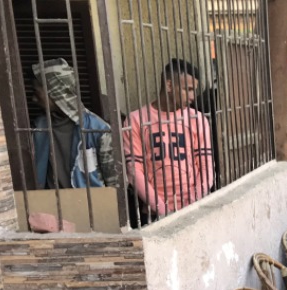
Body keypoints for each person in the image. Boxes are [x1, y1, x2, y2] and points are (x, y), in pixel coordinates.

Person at [123, 58, 214, 221]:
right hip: (153, 213)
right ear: (170, 85)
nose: (193, 97)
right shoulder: (136, 120)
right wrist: (163, 210)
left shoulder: (197, 119)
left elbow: (206, 167)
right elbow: (134, 170)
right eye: (189, 89)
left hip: (193, 210)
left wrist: (193, 204)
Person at [31, 58, 117, 190]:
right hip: (50, 205)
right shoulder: (38, 127)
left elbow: (115, 184)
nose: (33, 99)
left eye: (37, 92)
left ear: (55, 92)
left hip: (90, 206)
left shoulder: (97, 129)